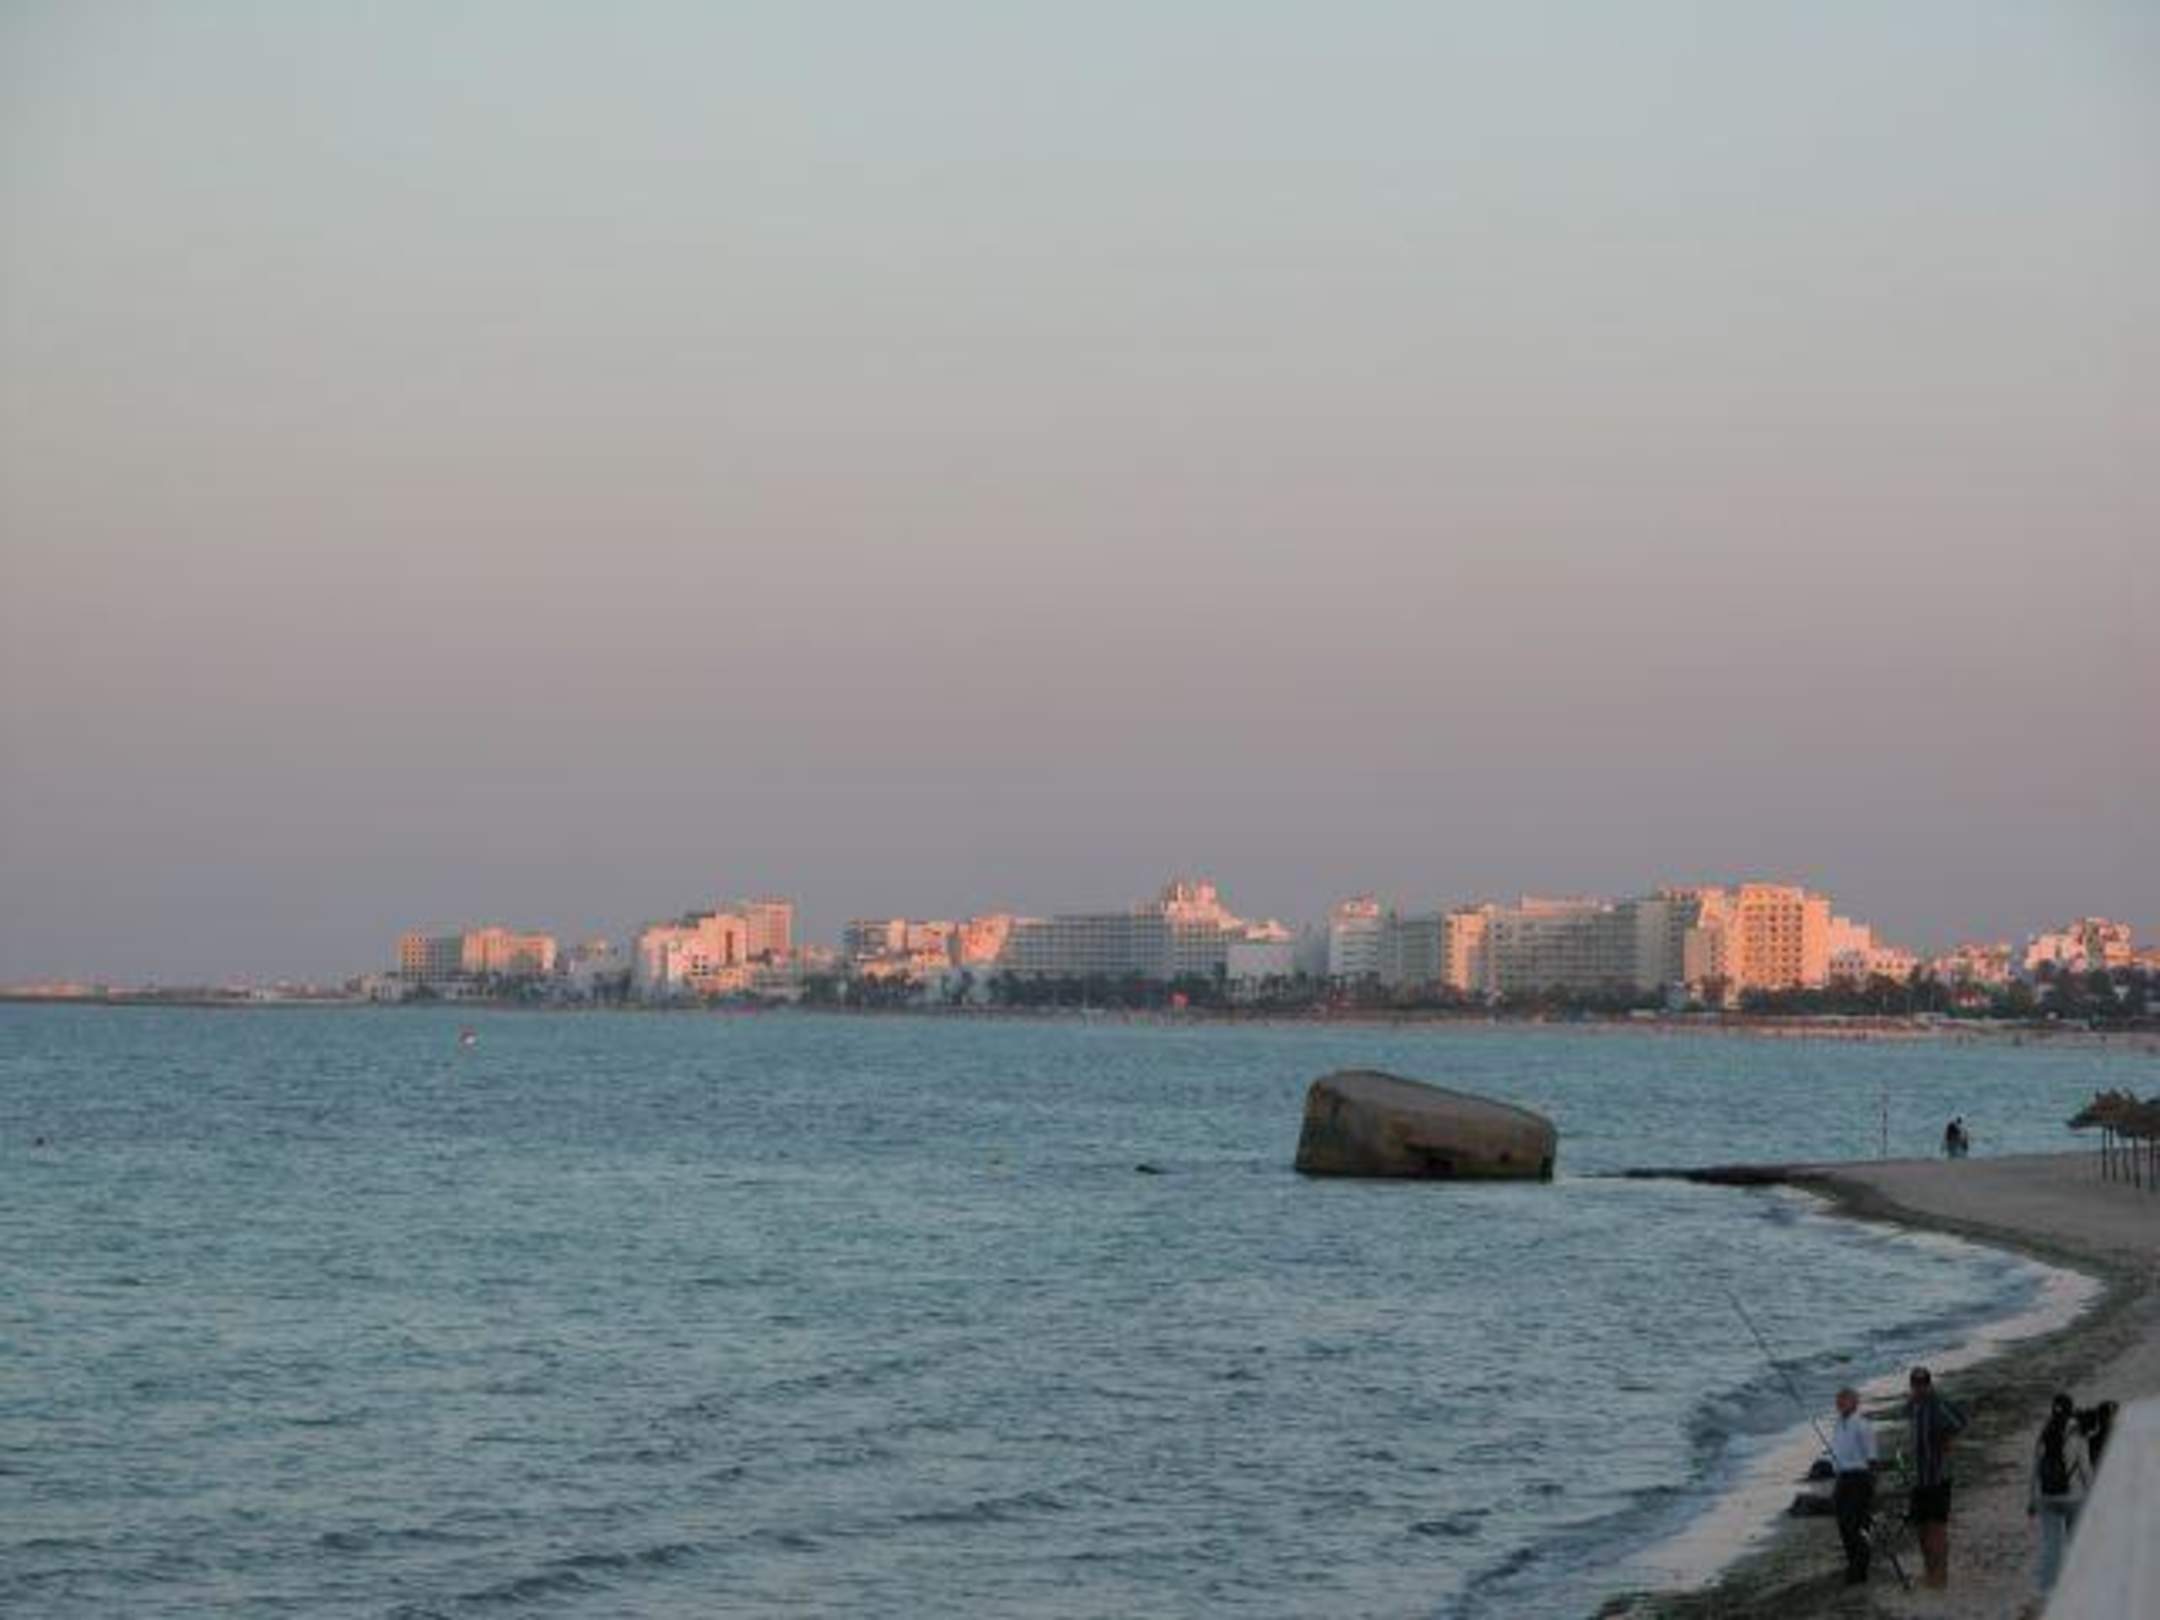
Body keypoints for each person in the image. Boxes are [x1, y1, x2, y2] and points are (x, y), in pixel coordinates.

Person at [1905, 1366, 1967, 1588]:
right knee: (1921, 1529)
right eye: (1915, 1384)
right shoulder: (1912, 1405)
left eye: (1923, 1384)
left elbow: (1960, 1422)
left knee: (1937, 1528)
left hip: (1938, 1477)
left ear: (1929, 1384)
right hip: (1918, 1477)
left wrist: (1947, 1438)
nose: (1919, 1388)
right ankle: (1929, 1571)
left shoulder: (1938, 1403)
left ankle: (1941, 1576)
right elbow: (1909, 1422)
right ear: (1911, 1385)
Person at [2029, 1393, 2091, 1593]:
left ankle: (2046, 1589)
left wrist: (2031, 1499)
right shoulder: (2078, 1435)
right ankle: (2078, 1584)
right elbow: (2085, 1469)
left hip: (2047, 1496)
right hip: (2073, 1497)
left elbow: (2035, 1469)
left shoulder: (2044, 1432)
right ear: (2071, 1410)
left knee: (2050, 1545)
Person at [1827, 1386, 1879, 1584]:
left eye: (1844, 1399)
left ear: (1855, 1403)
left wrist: (1871, 1484)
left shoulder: (1862, 1425)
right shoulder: (1838, 1425)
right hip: (1842, 1478)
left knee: (1856, 1525)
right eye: (1838, 1400)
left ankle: (1860, 1568)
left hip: (1859, 1478)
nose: (1840, 1403)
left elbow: (1872, 1457)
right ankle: (1853, 1564)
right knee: (1843, 1524)